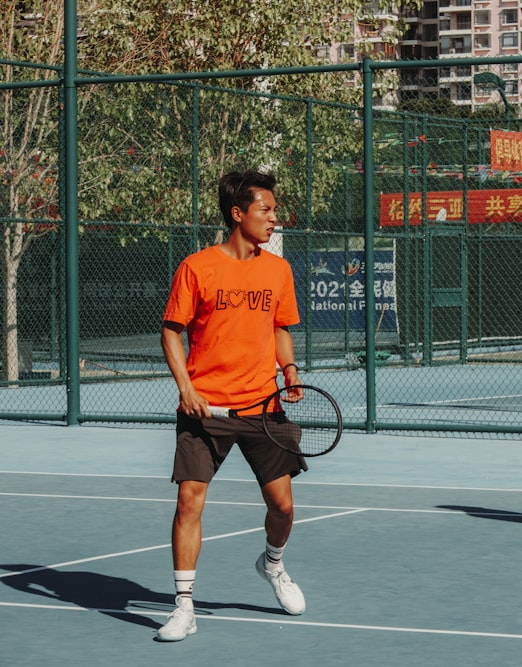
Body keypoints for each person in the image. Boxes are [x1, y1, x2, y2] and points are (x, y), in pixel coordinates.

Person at [157, 170, 307, 641]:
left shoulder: (278, 270)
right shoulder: (197, 267)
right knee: (188, 501)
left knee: (282, 507)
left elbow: (281, 328)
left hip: (264, 406)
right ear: (238, 214)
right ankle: (184, 606)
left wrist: (289, 372)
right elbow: (170, 331)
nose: (273, 219)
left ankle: (273, 564)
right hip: (206, 411)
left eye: (274, 211)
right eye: (266, 210)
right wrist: (186, 387)